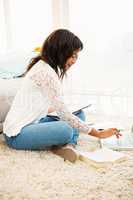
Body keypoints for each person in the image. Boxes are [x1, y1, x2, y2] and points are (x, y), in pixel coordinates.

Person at [3, 29, 121, 163]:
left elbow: (40, 105)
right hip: (18, 135)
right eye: (73, 55)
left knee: (79, 114)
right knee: (66, 129)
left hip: (35, 120)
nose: (74, 60)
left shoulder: (46, 66)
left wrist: (67, 110)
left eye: (77, 56)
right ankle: (67, 143)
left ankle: (67, 146)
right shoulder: (46, 72)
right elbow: (64, 115)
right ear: (60, 51)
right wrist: (98, 134)